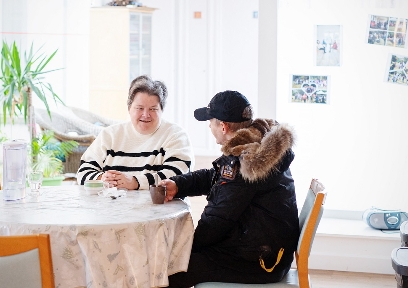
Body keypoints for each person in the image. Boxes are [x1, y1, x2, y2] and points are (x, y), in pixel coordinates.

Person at [160, 90, 299, 287]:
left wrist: (184, 247)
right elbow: (216, 176)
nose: (209, 126)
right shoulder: (255, 147)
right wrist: (179, 184)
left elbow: (217, 220)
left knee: (167, 270)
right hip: (265, 249)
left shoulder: (245, 165)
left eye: (210, 122)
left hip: (259, 261)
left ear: (223, 126)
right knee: (174, 261)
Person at [76, 75, 194, 189]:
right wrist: (102, 178)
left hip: (160, 207)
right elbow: (82, 172)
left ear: (162, 110)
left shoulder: (175, 135)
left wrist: (135, 182)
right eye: (139, 108)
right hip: (111, 206)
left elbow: (177, 177)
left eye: (153, 109)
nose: (146, 115)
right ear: (129, 108)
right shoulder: (109, 135)